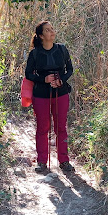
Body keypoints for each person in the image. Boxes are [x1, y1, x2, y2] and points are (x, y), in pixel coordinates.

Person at [25, 21, 75, 173]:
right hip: (41, 95)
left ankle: (64, 161)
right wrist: (44, 80)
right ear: (41, 36)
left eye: (52, 29)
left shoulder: (62, 49)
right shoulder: (34, 54)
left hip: (61, 93)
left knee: (61, 128)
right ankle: (41, 162)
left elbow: (70, 69)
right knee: (42, 128)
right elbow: (28, 74)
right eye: (47, 30)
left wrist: (61, 80)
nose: (52, 32)